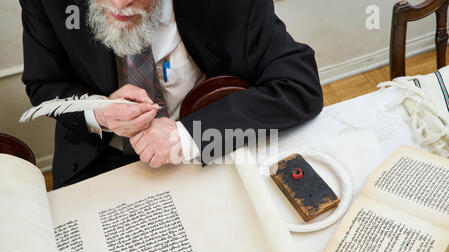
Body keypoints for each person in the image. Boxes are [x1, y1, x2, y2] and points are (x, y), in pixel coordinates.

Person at [20, 0, 323, 189]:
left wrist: (189, 136)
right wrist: (97, 112)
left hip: (208, 155)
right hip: (96, 161)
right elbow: (43, 84)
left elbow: (299, 85)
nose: (119, 4)